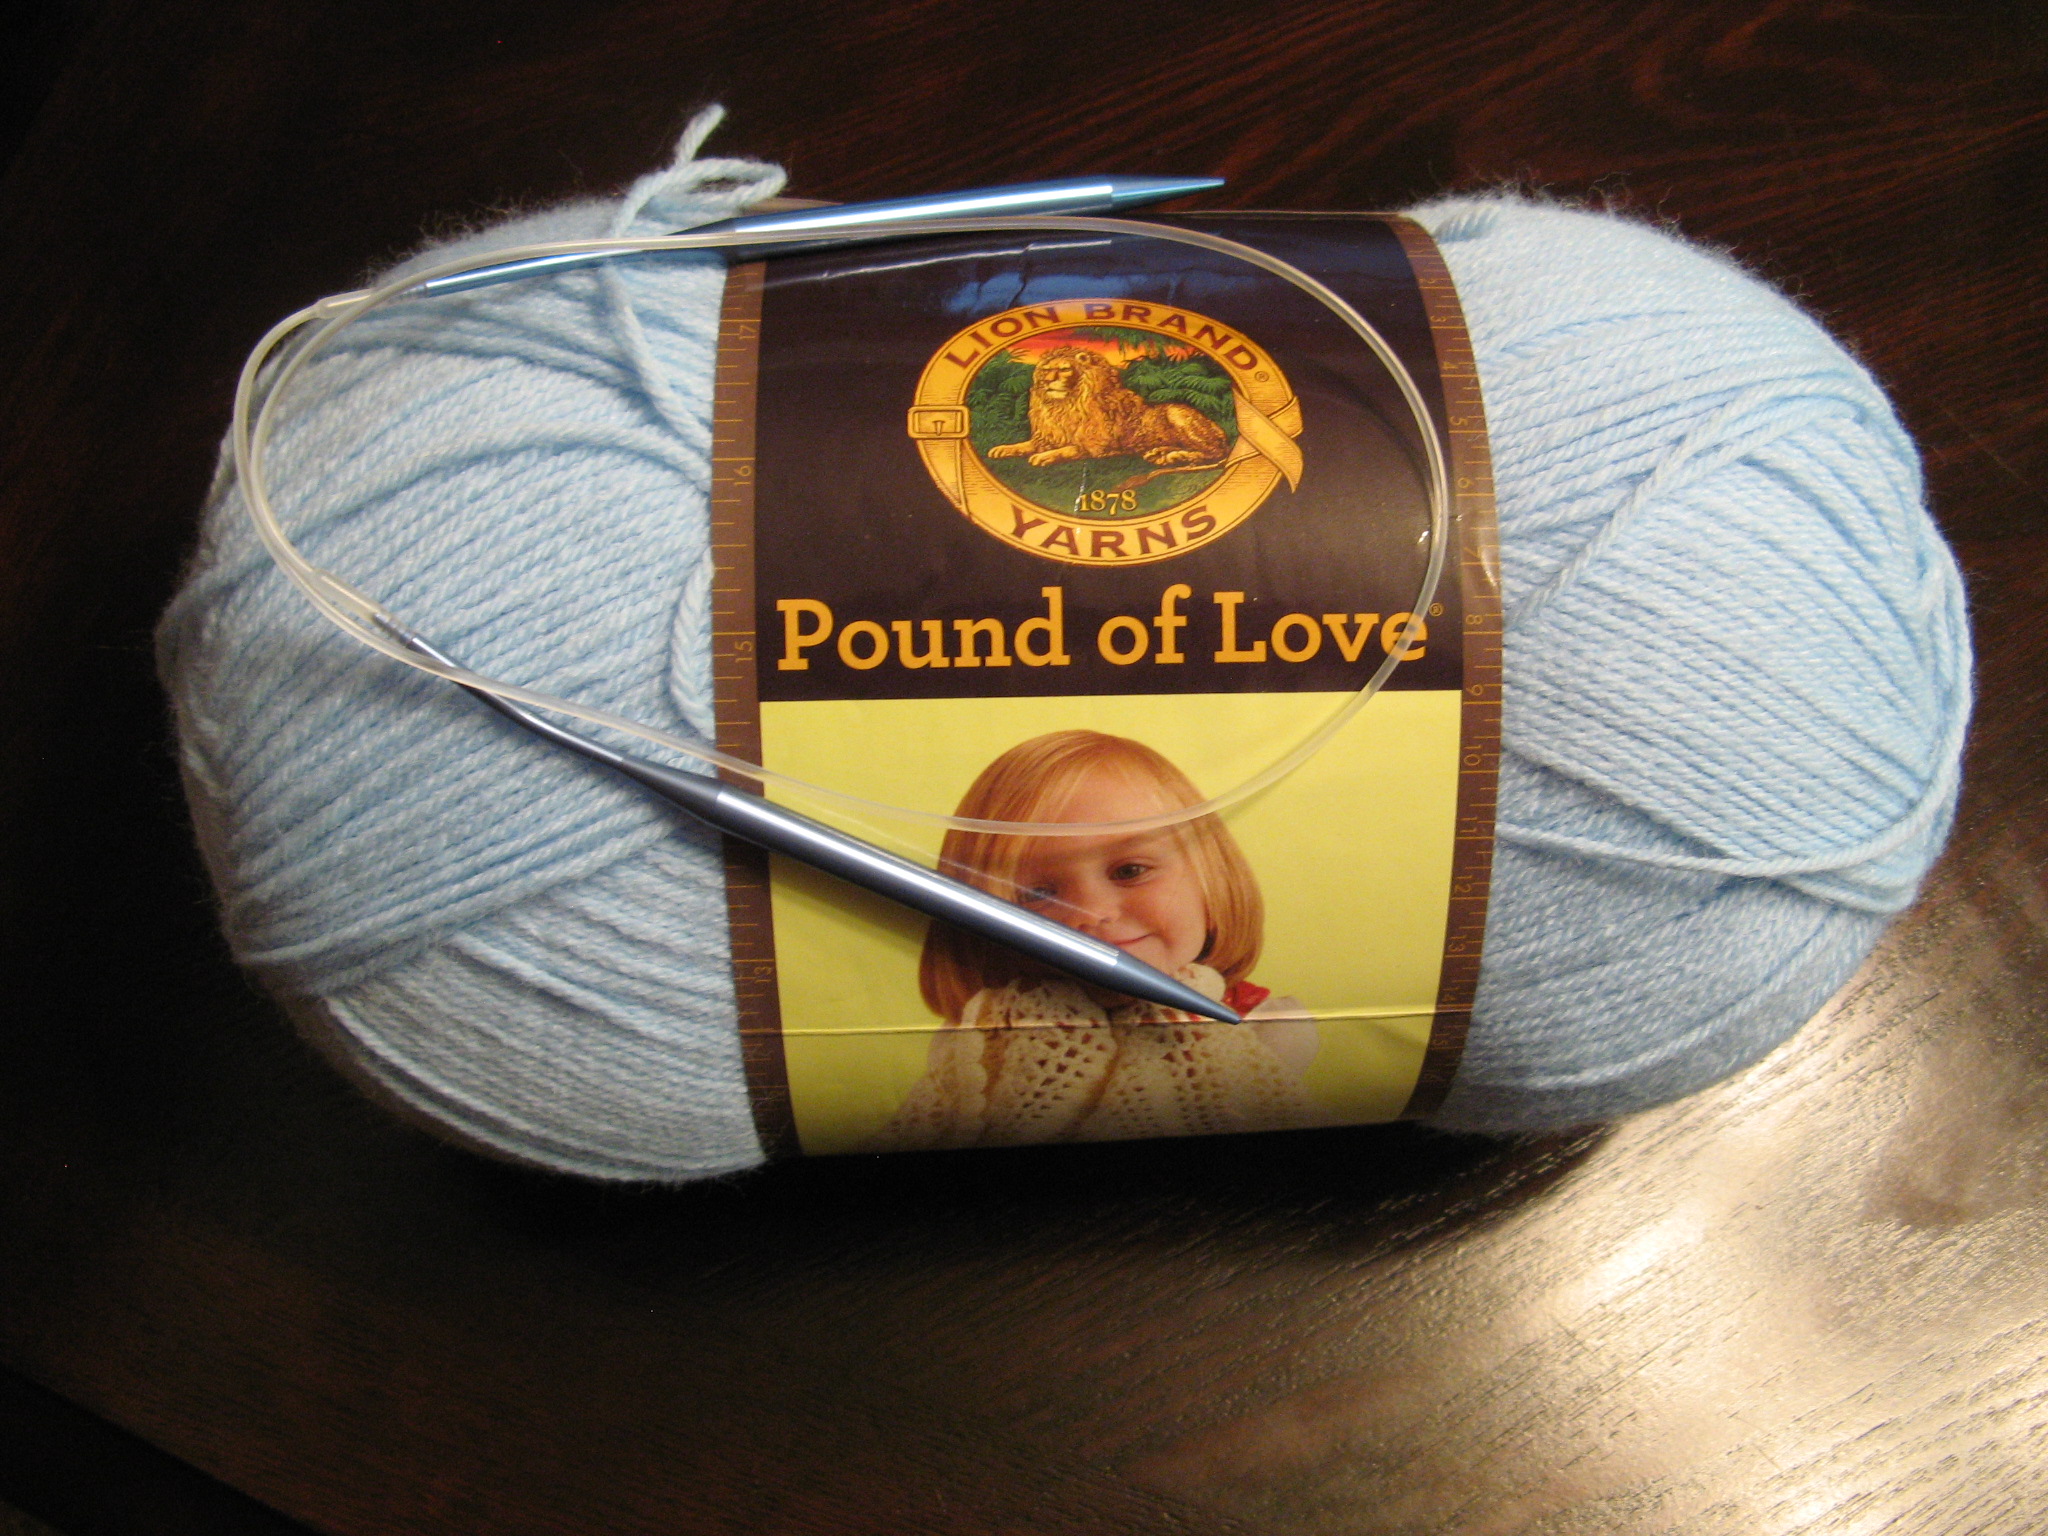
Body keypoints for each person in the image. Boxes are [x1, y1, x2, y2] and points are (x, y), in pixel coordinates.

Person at [873, 730, 1328, 1150]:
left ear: (1212, 877)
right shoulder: (981, 1045)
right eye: (1037, 894)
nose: (1091, 914)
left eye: (1130, 871)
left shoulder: (1262, 1031)